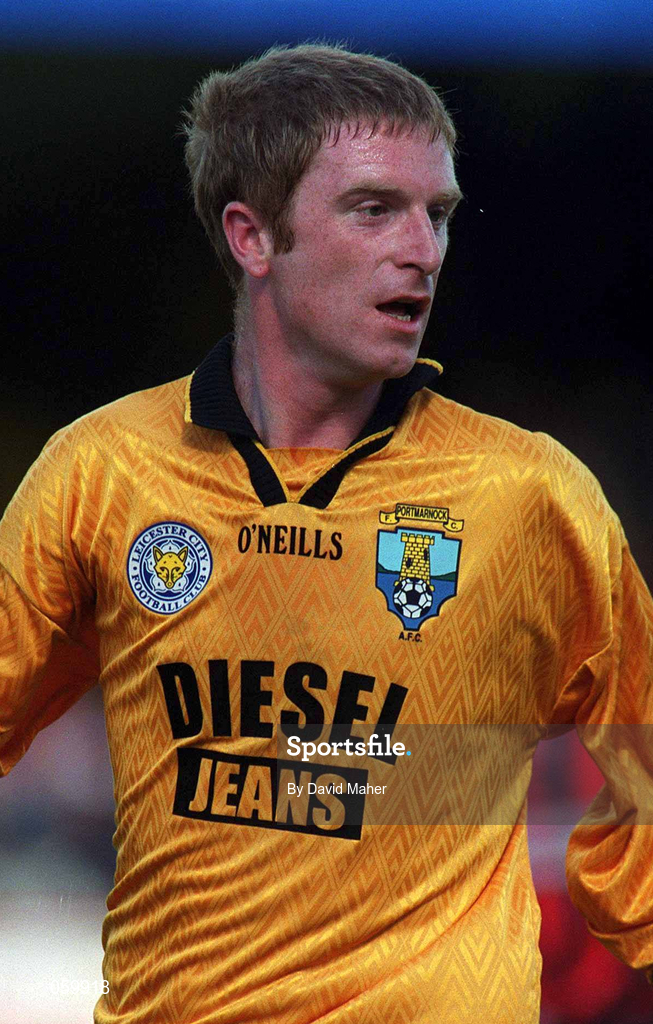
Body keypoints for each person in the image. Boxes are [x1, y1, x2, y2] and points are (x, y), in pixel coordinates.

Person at [1, 41, 652, 1024]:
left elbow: (638, 807)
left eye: (437, 214)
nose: (422, 249)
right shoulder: (102, 473)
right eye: (373, 208)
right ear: (252, 236)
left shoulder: (531, 495)